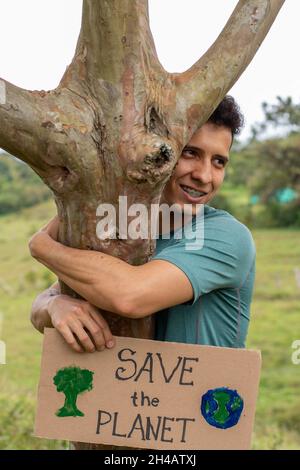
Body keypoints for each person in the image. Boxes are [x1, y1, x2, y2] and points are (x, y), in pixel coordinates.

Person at [29, 96, 255, 353]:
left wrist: (41, 246)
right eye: (191, 153)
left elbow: (129, 296)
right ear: (156, 153)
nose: (204, 176)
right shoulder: (126, 226)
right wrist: (54, 305)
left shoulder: (227, 236)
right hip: (131, 393)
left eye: (218, 162)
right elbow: (42, 306)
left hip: (206, 394)